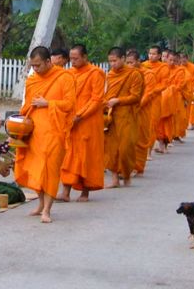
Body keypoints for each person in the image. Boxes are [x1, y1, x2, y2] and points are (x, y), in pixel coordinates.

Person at [14, 46, 76, 223]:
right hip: (34, 132)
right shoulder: (32, 80)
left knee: (50, 169)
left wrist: (48, 103)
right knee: (36, 169)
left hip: (55, 132)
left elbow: (70, 104)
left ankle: (47, 210)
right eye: (33, 65)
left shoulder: (64, 78)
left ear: (49, 61)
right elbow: (27, 105)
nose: (35, 69)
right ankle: (40, 203)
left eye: (38, 65)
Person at [58, 44, 105, 202]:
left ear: (85, 57)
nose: (73, 61)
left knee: (86, 156)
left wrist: (80, 115)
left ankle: (85, 192)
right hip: (71, 122)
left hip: (88, 122)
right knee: (69, 156)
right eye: (71, 58)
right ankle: (65, 192)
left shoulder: (95, 73)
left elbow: (97, 99)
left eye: (76, 58)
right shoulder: (69, 74)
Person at [104, 47, 143, 188]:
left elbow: (136, 96)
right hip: (112, 117)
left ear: (122, 59)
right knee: (111, 149)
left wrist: (118, 100)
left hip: (127, 115)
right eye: (110, 61)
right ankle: (114, 179)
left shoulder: (134, 74)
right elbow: (105, 95)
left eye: (115, 61)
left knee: (126, 148)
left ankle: (126, 175)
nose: (112, 64)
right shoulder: (109, 75)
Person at [125, 49, 156, 176]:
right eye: (127, 62)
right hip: (127, 110)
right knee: (127, 139)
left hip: (142, 111)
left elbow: (148, 93)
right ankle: (127, 166)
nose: (129, 65)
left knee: (140, 139)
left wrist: (136, 105)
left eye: (131, 62)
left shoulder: (148, 74)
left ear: (138, 61)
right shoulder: (126, 74)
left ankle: (138, 167)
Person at [142, 46, 169, 153]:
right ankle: (142, 150)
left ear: (159, 56)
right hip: (143, 98)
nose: (151, 56)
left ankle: (148, 150)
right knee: (143, 125)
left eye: (154, 54)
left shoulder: (163, 67)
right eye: (150, 53)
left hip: (155, 99)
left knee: (152, 124)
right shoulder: (143, 65)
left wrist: (152, 91)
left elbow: (164, 84)